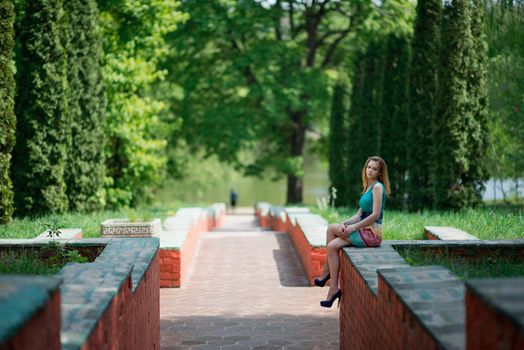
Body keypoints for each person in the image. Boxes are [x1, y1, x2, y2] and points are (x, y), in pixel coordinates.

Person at [315, 156, 391, 308]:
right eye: (369, 167)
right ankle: (333, 288)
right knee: (331, 247)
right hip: (364, 231)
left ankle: (326, 274)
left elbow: (375, 215)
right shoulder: (368, 187)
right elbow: (358, 215)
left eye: (374, 169)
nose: (370, 171)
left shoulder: (377, 187)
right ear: (365, 168)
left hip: (372, 234)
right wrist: (345, 223)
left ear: (380, 172)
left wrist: (353, 228)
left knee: (331, 228)